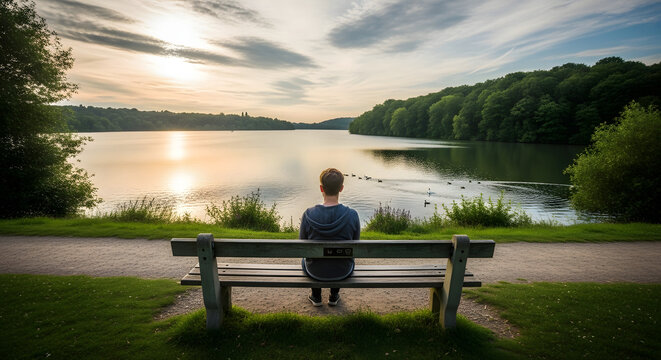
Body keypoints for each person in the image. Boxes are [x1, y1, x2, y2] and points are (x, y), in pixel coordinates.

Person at [300, 168, 360, 306]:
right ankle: (334, 296)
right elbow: (355, 245)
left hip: (314, 271)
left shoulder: (308, 214)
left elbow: (302, 247)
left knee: (306, 258)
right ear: (341, 188)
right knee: (343, 256)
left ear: (321, 188)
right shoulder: (352, 215)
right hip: (342, 270)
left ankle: (316, 296)